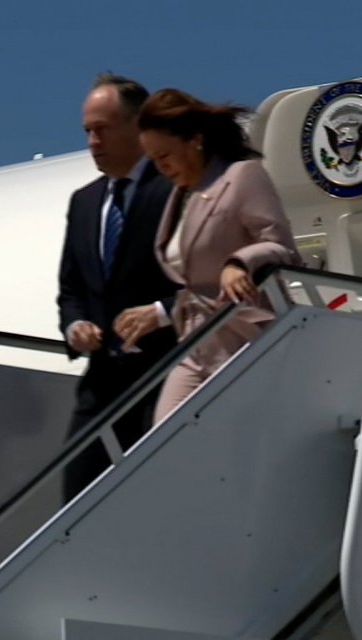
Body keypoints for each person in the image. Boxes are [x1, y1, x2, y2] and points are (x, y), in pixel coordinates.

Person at [115, 88, 299, 422]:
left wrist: (240, 262)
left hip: (243, 340)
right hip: (194, 346)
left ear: (194, 140)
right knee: (165, 438)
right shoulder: (180, 198)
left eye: (164, 155)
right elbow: (196, 283)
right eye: (153, 160)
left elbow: (283, 248)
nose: (161, 167)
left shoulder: (242, 176)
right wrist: (158, 314)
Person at [56, 74, 179, 502]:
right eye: (88, 131)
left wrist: (160, 311)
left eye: (102, 129)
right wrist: (76, 328)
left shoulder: (177, 190)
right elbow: (71, 289)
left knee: (156, 497)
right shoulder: (85, 202)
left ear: (138, 127)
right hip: (102, 385)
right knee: (77, 500)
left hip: (167, 374)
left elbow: (203, 282)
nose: (93, 141)